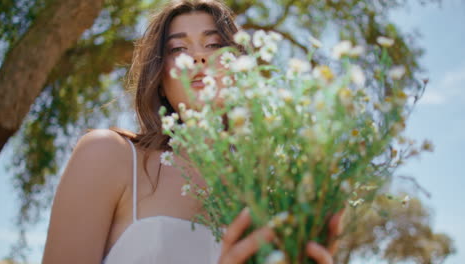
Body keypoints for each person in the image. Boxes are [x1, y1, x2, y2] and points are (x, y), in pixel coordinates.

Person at [42, 0, 344, 263]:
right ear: (159, 77)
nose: (199, 57)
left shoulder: (272, 189)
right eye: (178, 48)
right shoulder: (109, 155)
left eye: (213, 45)